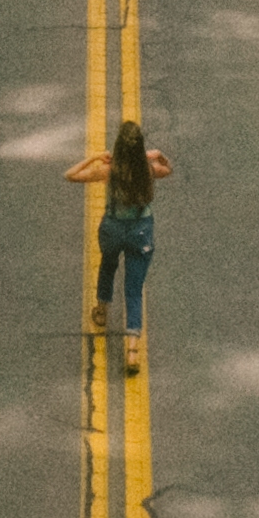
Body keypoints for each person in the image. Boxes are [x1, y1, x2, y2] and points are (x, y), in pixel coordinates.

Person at [66, 118, 175, 375]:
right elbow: (168, 169)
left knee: (108, 265)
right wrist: (158, 155)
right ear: (140, 149)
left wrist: (94, 158)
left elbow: (70, 175)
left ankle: (102, 310)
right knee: (134, 290)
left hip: (113, 229)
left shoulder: (109, 172)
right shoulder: (148, 170)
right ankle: (133, 349)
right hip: (141, 231)